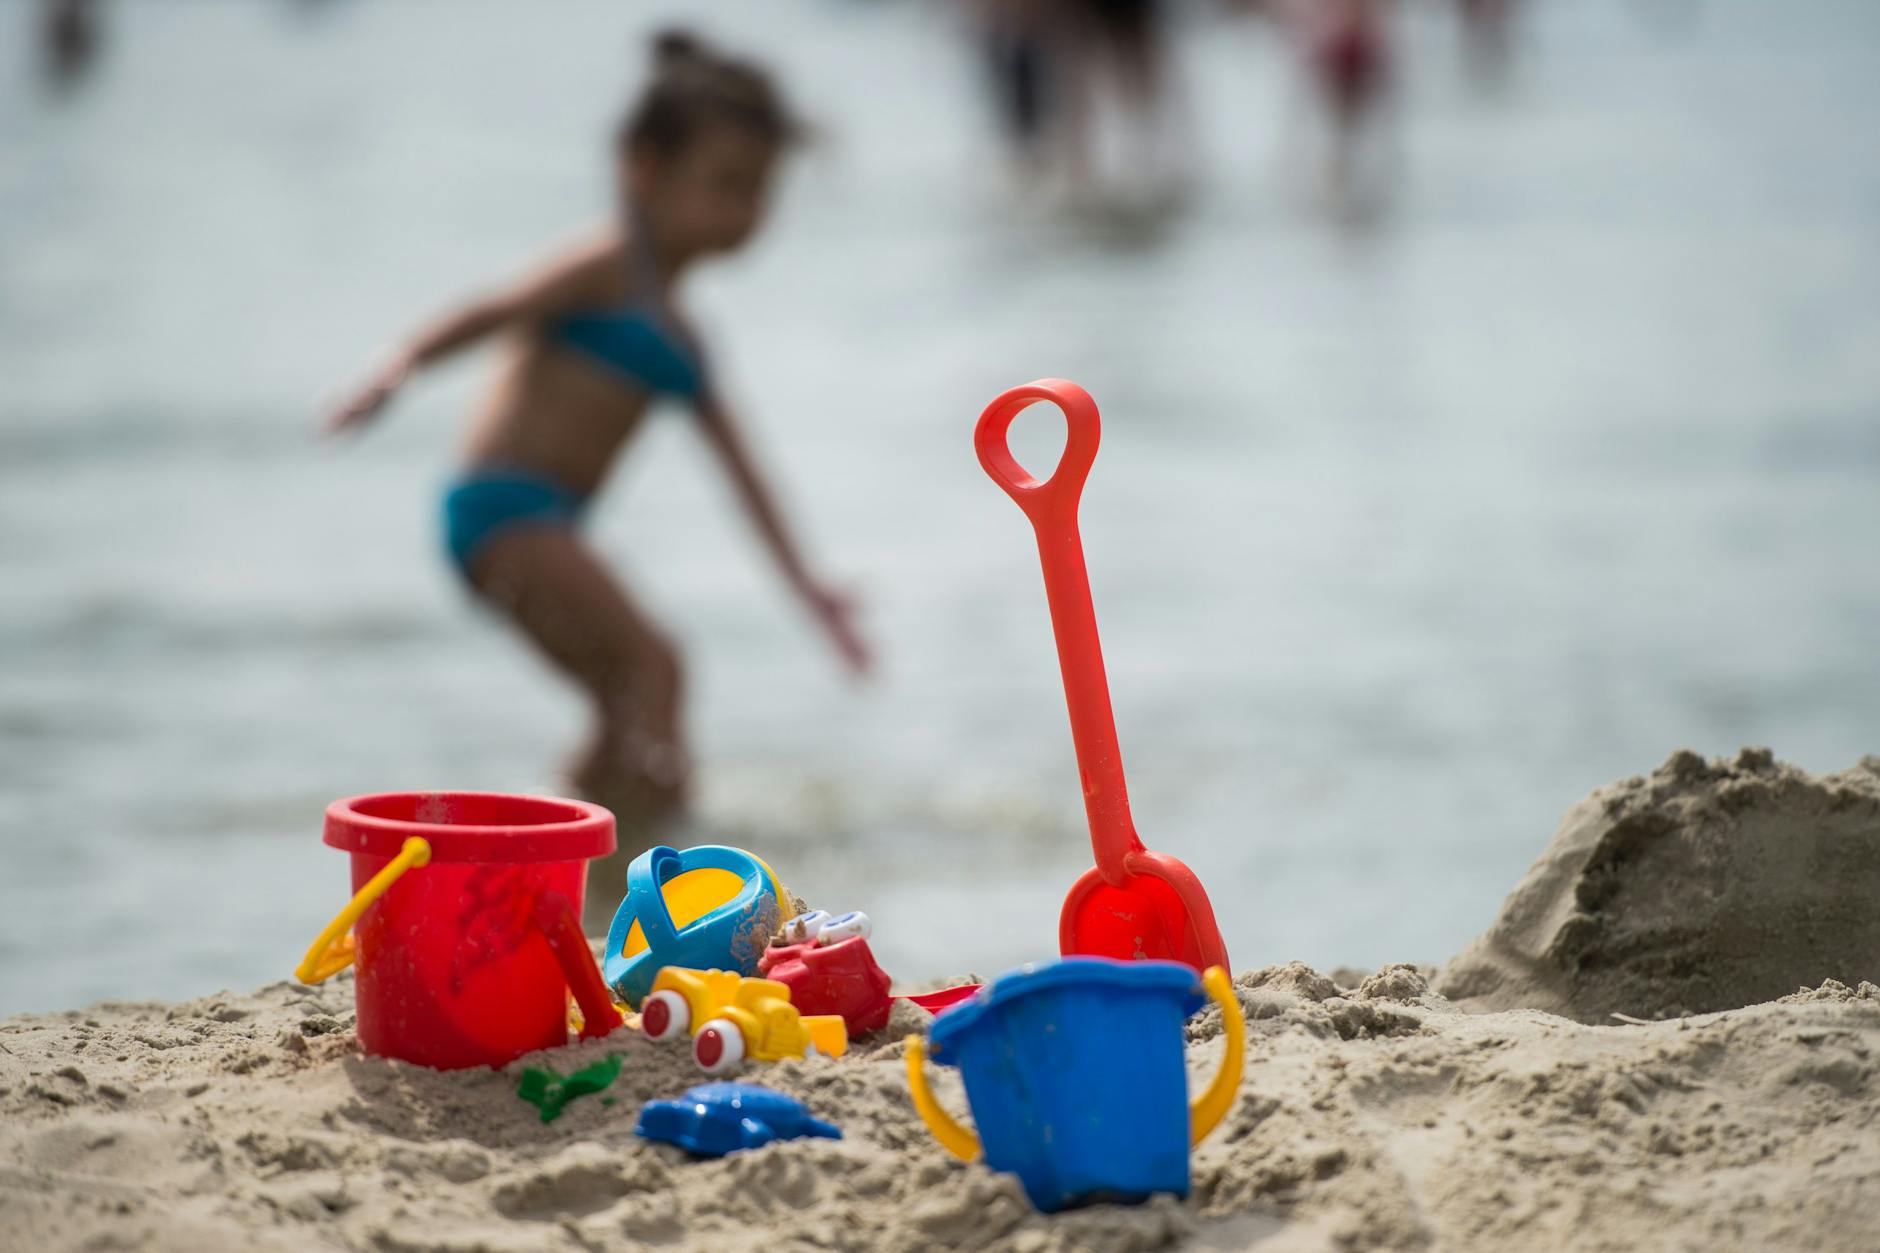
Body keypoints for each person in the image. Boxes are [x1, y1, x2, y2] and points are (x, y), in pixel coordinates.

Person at [327, 31, 871, 916]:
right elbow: (492, 307)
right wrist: (398, 365)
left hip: (544, 524)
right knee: (658, 666)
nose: (747, 212)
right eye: (727, 183)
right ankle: (656, 872)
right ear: (644, 169)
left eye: (763, 191)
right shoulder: (605, 264)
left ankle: (550, 877)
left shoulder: (686, 337)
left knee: (628, 703)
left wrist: (813, 593)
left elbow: (748, 481)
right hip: (499, 508)